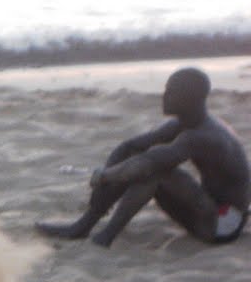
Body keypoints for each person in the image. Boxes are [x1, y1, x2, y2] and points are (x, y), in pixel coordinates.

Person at [36, 67, 250, 248]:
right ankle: (84, 225)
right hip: (207, 209)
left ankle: (104, 237)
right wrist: (103, 188)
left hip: (223, 225)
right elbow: (129, 147)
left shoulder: (202, 136)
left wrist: (103, 177)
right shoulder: (185, 123)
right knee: (135, 159)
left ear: (189, 98)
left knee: (153, 173)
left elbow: (147, 164)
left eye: (170, 91)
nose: (163, 96)